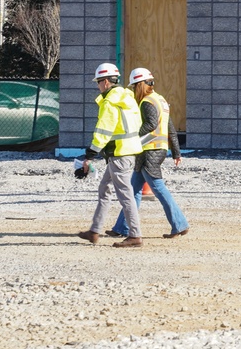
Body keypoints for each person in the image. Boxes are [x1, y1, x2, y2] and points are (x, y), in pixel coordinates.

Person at [109, 68, 190, 239]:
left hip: (149, 151)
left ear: (139, 85)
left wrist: (130, 136)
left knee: (158, 189)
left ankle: (180, 224)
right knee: (133, 190)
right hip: (156, 150)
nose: (132, 90)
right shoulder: (160, 100)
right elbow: (170, 129)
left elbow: (151, 125)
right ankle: (121, 227)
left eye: (133, 87)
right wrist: (176, 152)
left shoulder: (147, 102)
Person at [77, 63, 145, 248]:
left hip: (120, 154)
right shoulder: (127, 98)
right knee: (104, 188)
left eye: (98, 82)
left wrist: (90, 155)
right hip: (127, 151)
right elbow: (136, 124)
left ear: (106, 82)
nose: (98, 85)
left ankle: (135, 235)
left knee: (125, 195)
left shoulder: (109, 102)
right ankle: (94, 231)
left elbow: (103, 130)